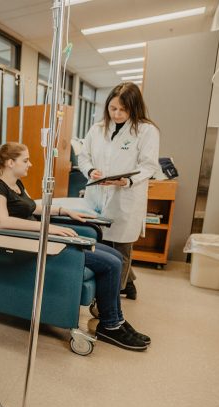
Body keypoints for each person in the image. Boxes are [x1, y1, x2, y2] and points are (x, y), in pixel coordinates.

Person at [0, 142, 151, 351]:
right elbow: (2, 221)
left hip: (44, 238)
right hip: (33, 245)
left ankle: (116, 319)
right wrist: (48, 228)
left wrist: (65, 211)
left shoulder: (17, 185)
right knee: (110, 264)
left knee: (115, 256)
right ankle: (110, 326)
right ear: (10, 163)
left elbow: (35, 208)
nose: (30, 164)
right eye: (25, 160)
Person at [78, 82, 160, 300]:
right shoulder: (97, 129)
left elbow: (148, 165)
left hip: (126, 197)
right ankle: (128, 283)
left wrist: (128, 181)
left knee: (122, 249)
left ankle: (110, 299)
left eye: (123, 110)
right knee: (102, 247)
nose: (116, 114)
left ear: (134, 108)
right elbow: (84, 157)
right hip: (98, 196)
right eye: (112, 108)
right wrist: (91, 170)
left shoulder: (146, 131)